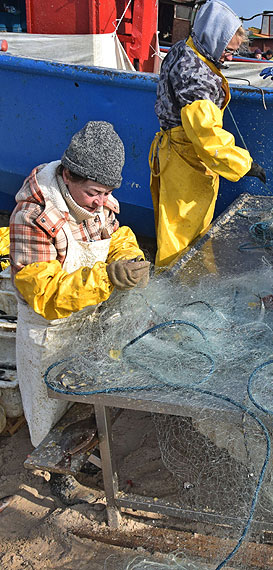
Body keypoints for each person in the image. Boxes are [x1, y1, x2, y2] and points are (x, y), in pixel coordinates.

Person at [10, 120, 150, 504]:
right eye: (94, 193)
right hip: (49, 331)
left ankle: (80, 452)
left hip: (87, 319)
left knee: (86, 399)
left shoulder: (94, 202)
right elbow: (45, 293)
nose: (101, 203)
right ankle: (56, 474)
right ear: (68, 176)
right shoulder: (33, 217)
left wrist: (128, 258)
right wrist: (107, 278)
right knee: (50, 409)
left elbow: (115, 236)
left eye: (107, 194)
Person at [150, 0, 266, 268]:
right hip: (185, 160)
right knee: (179, 237)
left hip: (180, 155)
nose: (230, 57)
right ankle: (175, 293)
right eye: (227, 50)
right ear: (213, 37)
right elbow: (205, 135)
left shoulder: (186, 48)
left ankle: (190, 281)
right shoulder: (195, 74)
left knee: (189, 230)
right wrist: (244, 164)